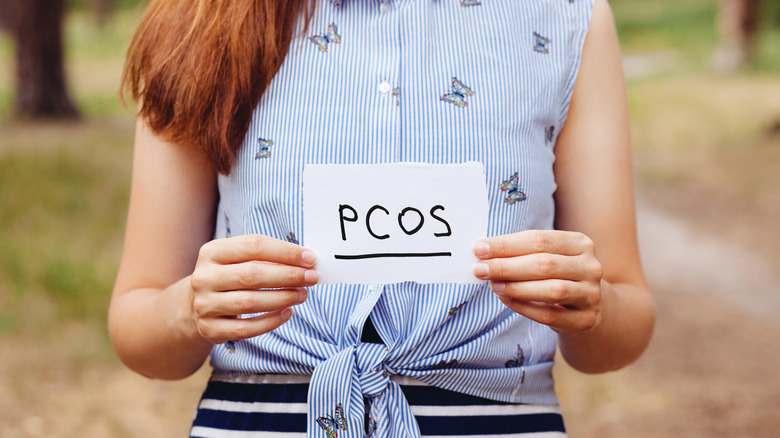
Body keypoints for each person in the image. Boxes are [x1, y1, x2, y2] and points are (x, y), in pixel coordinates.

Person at [109, 0, 655, 437]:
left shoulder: (566, 17)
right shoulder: (196, 17)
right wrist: (190, 309)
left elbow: (625, 322)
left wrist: (590, 304)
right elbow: (137, 323)